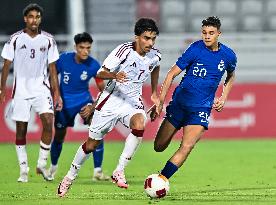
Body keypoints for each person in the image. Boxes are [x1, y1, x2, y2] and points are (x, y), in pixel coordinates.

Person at [57, 18, 161, 197]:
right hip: (111, 100)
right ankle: (69, 177)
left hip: (132, 100)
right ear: (137, 37)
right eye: (146, 38)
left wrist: (154, 94)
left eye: (153, 38)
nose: (150, 43)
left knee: (139, 124)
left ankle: (119, 170)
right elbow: (100, 73)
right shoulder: (124, 51)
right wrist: (115, 75)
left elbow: (155, 67)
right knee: (91, 144)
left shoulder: (155, 55)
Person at [150, 16, 237, 182]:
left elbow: (231, 75)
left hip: (201, 109)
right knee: (159, 146)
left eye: (211, 33)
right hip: (180, 105)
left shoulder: (228, 56)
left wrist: (224, 96)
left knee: (187, 146)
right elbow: (171, 74)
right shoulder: (195, 49)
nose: (207, 36)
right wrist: (160, 102)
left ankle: (161, 180)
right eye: (204, 32)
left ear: (219, 33)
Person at [0, 3, 62, 182]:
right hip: (21, 91)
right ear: (25, 19)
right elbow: (6, 65)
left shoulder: (48, 40)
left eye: (37, 17)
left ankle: (41, 164)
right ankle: (23, 170)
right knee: (21, 130)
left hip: (41, 89)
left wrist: (56, 93)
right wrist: (2, 88)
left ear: (40, 19)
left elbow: (52, 69)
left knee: (49, 122)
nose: (34, 20)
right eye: (31, 17)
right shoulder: (15, 39)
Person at [47, 32, 109, 181]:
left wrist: (93, 106)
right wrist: (55, 96)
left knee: (97, 130)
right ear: (75, 47)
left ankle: (98, 171)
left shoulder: (94, 65)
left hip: (83, 101)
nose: (85, 51)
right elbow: (52, 77)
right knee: (59, 136)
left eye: (88, 48)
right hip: (64, 104)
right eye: (82, 47)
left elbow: (104, 90)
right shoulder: (63, 59)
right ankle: (53, 168)